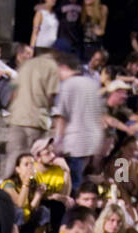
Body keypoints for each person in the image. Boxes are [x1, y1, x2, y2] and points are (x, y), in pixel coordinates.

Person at [5, 48, 62, 180]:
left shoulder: (25, 65)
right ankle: (27, 192)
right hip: (36, 120)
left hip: (17, 117)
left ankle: (8, 188)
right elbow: (50, 95)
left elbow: (13, 90)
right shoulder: (52, 67)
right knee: (32, 159)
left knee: (13, 158)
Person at [51, 52, 104, 188]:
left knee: (73, 182)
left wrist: (57, 141)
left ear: (63, 67)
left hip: (74, 142)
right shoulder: (93, 84)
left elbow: (61, 116)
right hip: (93, 140)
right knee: (82, 179)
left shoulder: (67, 86)